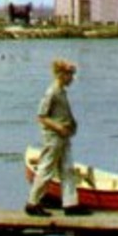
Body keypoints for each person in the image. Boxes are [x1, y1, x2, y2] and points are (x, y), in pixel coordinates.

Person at [25, 58, 90, 217]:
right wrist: (59, 127)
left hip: (64, 137)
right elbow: (41, 117)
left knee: (67, 170)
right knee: (46, 169)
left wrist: (70, 125)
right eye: (70, 75)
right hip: (53, 138)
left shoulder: (61, 91)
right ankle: (32, 203)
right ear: (61, 75)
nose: (72, 78)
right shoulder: (52, 92)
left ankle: (70, 204)